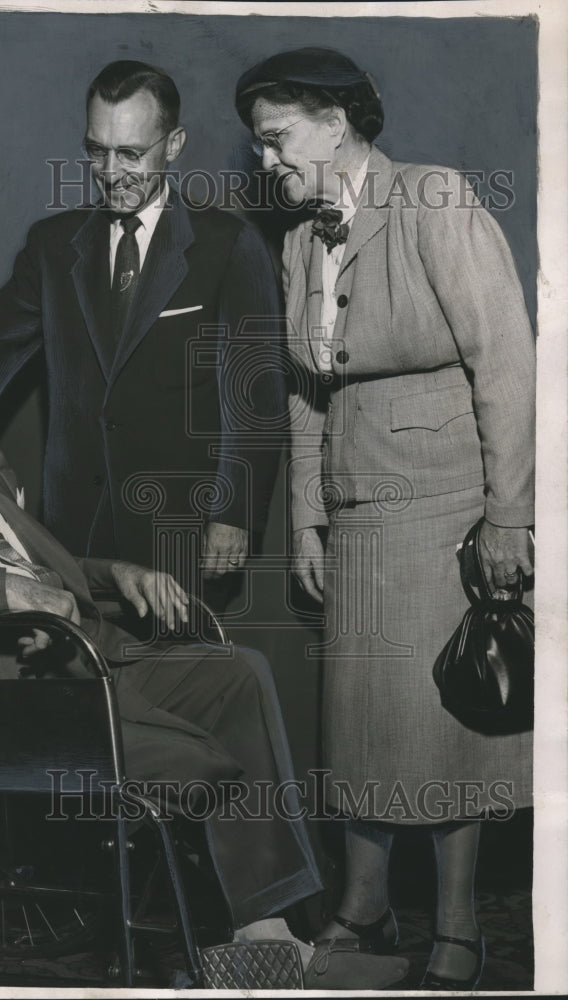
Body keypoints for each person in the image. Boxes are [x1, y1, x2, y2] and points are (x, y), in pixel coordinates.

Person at [0, 265, 409, 990]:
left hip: (73, 655)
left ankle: (262, 933)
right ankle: (240, 938)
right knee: (198, 758)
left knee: (232, 674)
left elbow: (28, 564)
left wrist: (113, 573)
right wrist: (3, 592)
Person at [235, 46, 535, 990]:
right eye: (258, 148)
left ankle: (456, 931)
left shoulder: (436, 199)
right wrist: (307, 517)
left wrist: (510, 517)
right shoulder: (298, 240)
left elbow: (508, 362)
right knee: (359, 729)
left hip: (448, 505)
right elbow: (306, 393)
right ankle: (365, 916)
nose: (267, 163)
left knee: (449, 722)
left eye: (278, 140)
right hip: (358, 510)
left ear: (337, 121)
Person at [0, 60, 286, 596]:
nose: (111, 172)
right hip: (72, 533)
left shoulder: (228, 245)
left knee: (178, 676)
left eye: (131, 153)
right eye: (96, 150)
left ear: (174, 144)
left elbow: (256, 396)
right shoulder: (51, 246)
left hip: (181, 527)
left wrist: (234, 513)